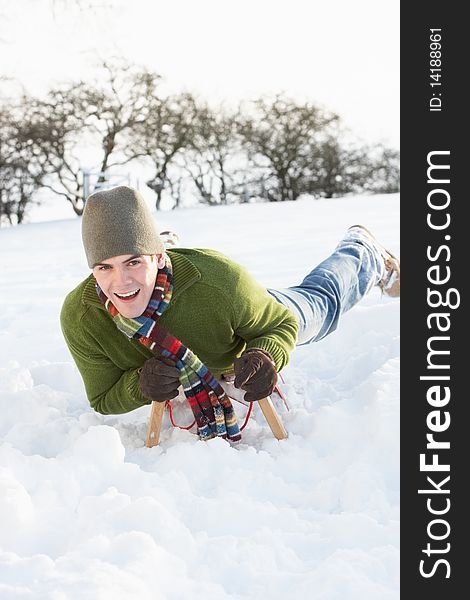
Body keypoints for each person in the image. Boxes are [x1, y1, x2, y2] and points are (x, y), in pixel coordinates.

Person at [61, 186, 399, 441]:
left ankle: (363, 252)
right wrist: (139, 384)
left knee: (316, 307)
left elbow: (281, 324)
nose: (120, 282)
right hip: (178, 283)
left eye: (133, 261)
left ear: (157, 258)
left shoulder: (219, 281)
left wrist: (266, 354)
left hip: (237, 309)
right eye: (104, 267)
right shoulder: (82, 316)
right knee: (138, 282)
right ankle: (157, 245)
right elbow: (103, 397)